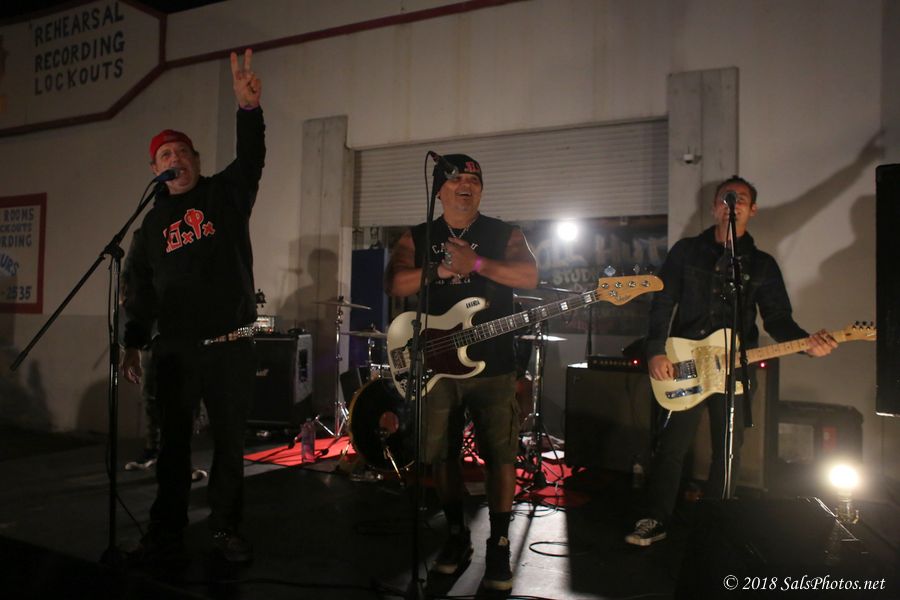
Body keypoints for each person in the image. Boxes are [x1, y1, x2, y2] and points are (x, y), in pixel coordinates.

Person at [625, 175, 837, 547]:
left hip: (735, 369)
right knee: (671, 447)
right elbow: (663, 301)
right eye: (726, 197)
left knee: (728, 450)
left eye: (741, 199)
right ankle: (655, 519)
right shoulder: (686, 251)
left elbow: (777, 319)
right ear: (714, 207)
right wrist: (655, 350)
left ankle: (714, 527)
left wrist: (807, 344)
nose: (732, 204)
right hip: (686, 363)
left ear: (752, 210)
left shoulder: (762, 264)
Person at [120, 48, 264, 563]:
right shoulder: (149, 226)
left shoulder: (226, 195)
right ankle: (166, 531)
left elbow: (252, 158)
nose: (174, 160)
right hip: (176, 351)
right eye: (165, 155)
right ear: (154, 169)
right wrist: (133, 343)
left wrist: (248, 109)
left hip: (230, 344)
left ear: (197, 161)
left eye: (182, 152)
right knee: (174, 447)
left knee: (229, 445)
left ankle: (225, 529)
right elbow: (140, 289)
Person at [385, 154, 538, 590]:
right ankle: (456, 536)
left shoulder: (504, 233)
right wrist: (439, 269)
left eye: (474, 179)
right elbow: (395, 282)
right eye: (455, 179)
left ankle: (499, 543)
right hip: (437, 365)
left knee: (500, 455)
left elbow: (529, 276)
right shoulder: (418, 236)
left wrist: (478, 265)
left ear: (482, 190)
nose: (465, 185)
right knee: (441, 454)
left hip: (495, 362)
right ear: (439, 190)